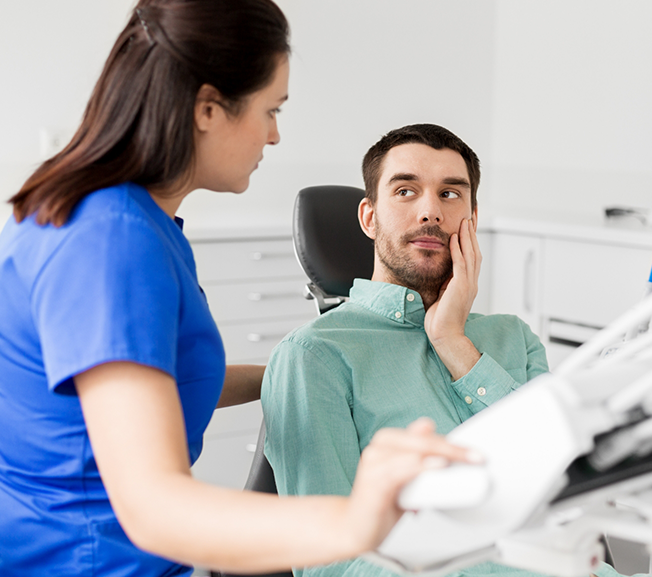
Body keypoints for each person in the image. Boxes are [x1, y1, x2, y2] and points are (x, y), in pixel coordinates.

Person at [0, 5, 475, 576]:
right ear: (207, 109)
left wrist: (310, 362)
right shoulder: (111, 242)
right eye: (270, 110)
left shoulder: (131, 222)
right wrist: (357, 520)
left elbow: (148, 379)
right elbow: (154, 510)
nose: (275, 134)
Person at [262, 124, 578, 577]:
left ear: (471, 217)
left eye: (451, 194)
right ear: (369, 217)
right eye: (406, 191)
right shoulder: (314, 356)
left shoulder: (514, 337)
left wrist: (454, 342)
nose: (430, 211)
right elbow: (330, 567)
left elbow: (564, 485)